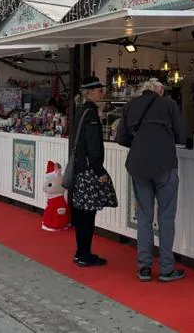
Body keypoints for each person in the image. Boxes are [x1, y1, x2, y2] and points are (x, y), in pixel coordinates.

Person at [116, 78, 187, 282]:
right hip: (165, 165)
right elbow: (181, 136)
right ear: (159, 90)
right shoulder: (168, 104)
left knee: (144, 218)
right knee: (166, 217)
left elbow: (121, 138)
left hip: (138, 166)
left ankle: (144, 268)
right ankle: (166, 269)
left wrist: (140, 144)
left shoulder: (130, 105)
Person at [70, 76, 118, 267]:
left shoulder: (81, 111)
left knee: (82, 213)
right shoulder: (91, 114)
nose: (102, 93)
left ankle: (81, 251)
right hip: (90, 170)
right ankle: (84, 254)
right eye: (99, 90)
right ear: (89, 93)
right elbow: (93, 146)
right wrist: (99, 170)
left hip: (80, 168)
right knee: (87, 215)